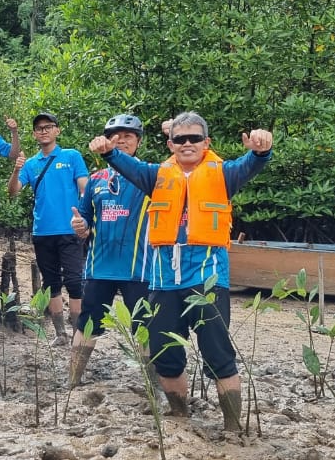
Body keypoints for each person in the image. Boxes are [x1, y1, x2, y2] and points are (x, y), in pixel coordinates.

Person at [88, 110, 273, 432]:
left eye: (194, 138)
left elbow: (253, 163)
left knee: (218, 354)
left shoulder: (225, 174)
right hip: (162, 281)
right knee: (166, 354)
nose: (187, 144)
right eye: (180, 139)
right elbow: (122, 162)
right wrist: (107, 151)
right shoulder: (155, 175)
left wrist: (260, 150)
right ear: (170, 144)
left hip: (207, 278)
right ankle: (180, 415)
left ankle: (232, 427)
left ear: (206, 142)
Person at [67, 114, 151, 387]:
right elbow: (84, 220)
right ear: (106, 139)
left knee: (144, 327)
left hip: (138, 268)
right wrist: (79, 226)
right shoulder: (96, 179)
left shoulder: (150, 175)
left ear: (138, 141)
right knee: (87, 323)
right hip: (99, 266)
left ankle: (153, 385)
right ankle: (73, 379)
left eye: (128, 135)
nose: (122, 139)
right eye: (116, 135)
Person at [7, 112, 89, 345]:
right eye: (39, 128)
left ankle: (78, 335)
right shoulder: (31, 164)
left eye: (48, 126)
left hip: (70, 230)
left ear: (57, 130)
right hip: (42, 232)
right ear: (34, 134)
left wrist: (85, 219)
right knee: (51, 283)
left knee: (75, 282)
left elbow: (85, 188)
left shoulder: (71, 156)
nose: (43, 130)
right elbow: (13, 191)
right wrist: (16, 169)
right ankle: (60, 334)